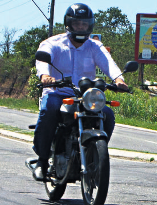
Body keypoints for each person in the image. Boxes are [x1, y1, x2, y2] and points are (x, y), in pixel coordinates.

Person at [32, 3, 129, 181]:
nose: (81, 27)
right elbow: (43, 59)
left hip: (84, 96)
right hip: (58, 93)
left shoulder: (94, 46)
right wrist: (45, 75)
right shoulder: (53, 43)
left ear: (90, 25)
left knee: (107, 114)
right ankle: (42, 160)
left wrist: (118, 79)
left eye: (84, 24)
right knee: (49, 108)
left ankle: (95, 155)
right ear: (69, 24)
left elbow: (107, 62)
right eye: (77, 23)